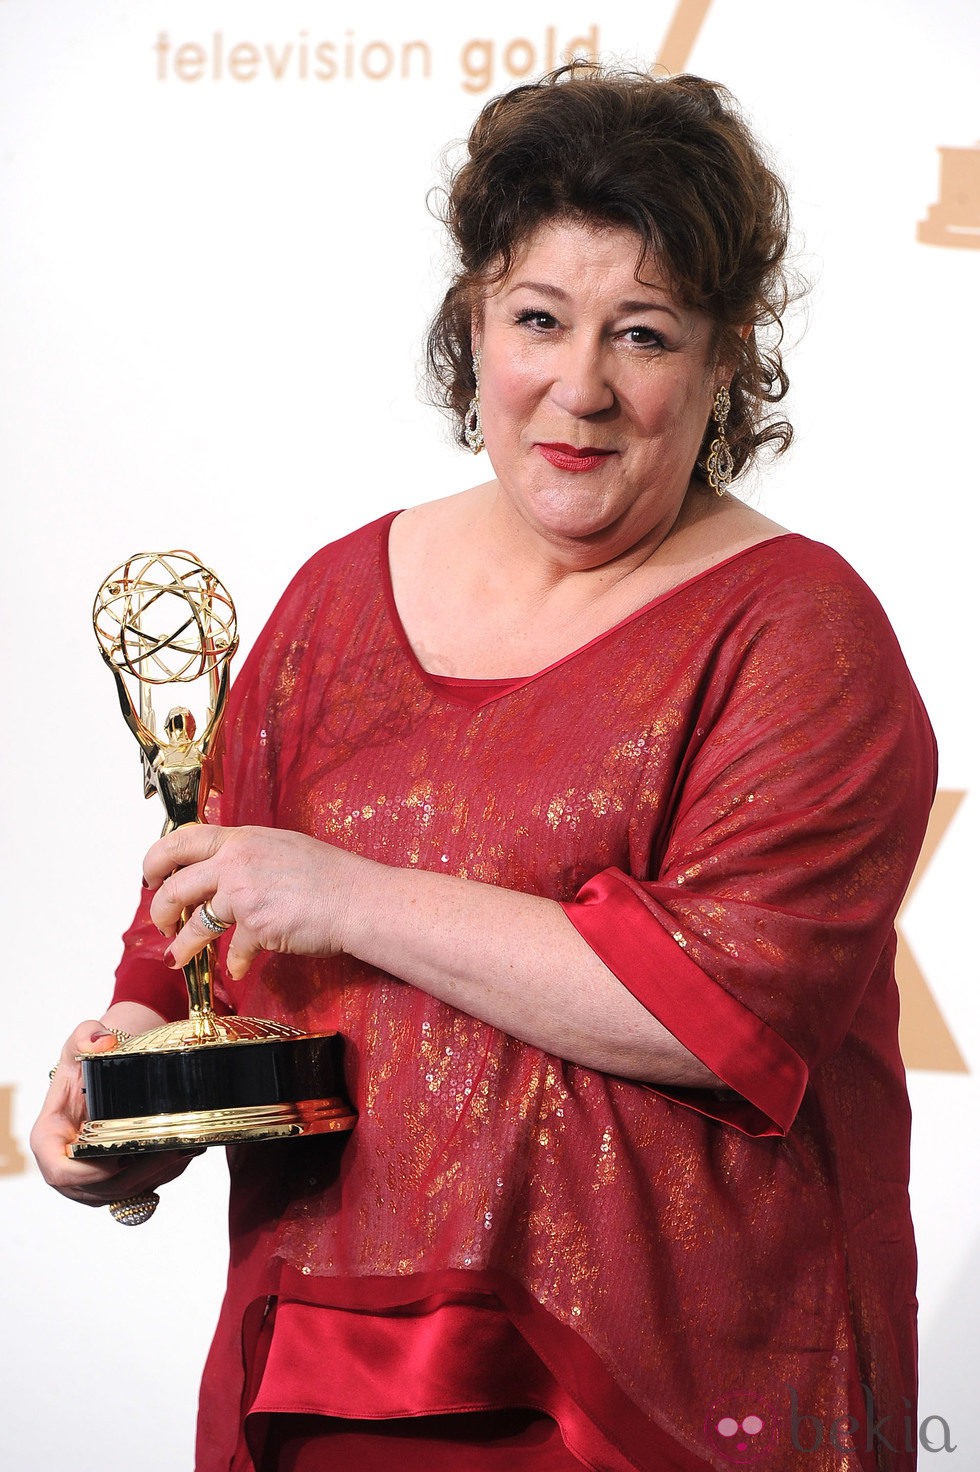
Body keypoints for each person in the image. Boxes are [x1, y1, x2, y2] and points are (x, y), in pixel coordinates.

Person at [32, 67, 936, 1471]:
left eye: (642, 334)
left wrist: (347, 897)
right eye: (537, 321)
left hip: (654, 1412)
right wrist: (111, 1117)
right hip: (327, 1382)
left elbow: (718, 1013)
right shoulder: (337, 600)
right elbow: (188, 956)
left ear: (722, 360)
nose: (580, 390)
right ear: (473, 330)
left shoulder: (799, 633)